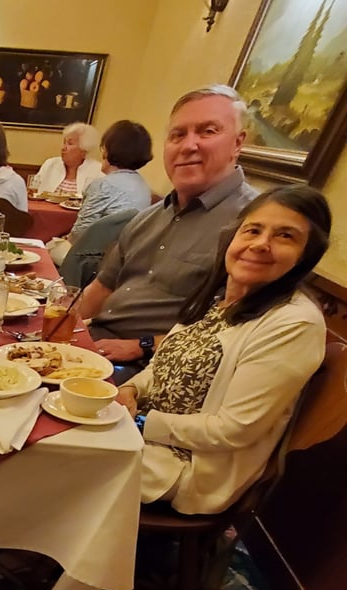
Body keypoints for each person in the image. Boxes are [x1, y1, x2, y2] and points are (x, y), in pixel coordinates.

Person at [119, 185, 329, 515]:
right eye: (253, 230)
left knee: (61, 452)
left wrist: (141, 422)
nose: (261, 244)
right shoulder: (222, 298)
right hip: (143, 434)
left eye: (285, 236)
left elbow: (233, 430)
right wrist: (130, 390)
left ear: (306, 256)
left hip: (188, 468)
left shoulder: (295, 324)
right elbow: (162, 365)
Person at [78, 84, 258, 383]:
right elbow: (101, 289)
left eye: (207, 131)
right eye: (177, 135)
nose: (188, 146)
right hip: (97, 344)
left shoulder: (255, 225)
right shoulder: (147, 218)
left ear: (238, 143)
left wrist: (143, 345)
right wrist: (57, 333)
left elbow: (236, 333)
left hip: (154, 370)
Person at [67, 120, 153, 244]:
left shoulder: (102, 185)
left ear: (107, 150)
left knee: (47, 247)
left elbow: (79, 236)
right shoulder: (143, 186)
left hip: (95, 257)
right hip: (127, 254)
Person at [34, 122, 102, 195]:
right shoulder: (50, 164)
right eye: (64, 143)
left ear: (84, 150)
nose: (63, 148)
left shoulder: (97, 170)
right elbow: (34, 190)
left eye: (70, 143)